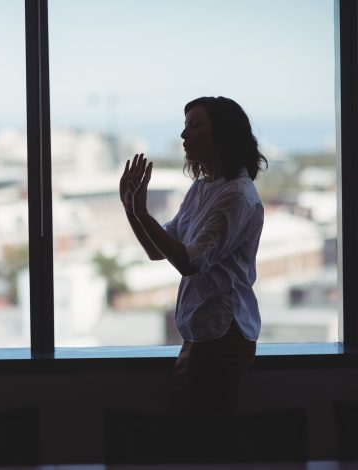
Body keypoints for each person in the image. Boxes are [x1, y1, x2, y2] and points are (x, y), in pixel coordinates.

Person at [119, 96, 266, 415]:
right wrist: (131, 209)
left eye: (195, 125)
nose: (184, 134)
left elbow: (190, 262)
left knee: (200, 430)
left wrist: (141, 213)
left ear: (222, 133)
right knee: (197, 428)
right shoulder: (202, 189)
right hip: (205, 331)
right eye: (186, 126)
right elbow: (157, 251)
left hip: (223, 330)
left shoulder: (237, 196)